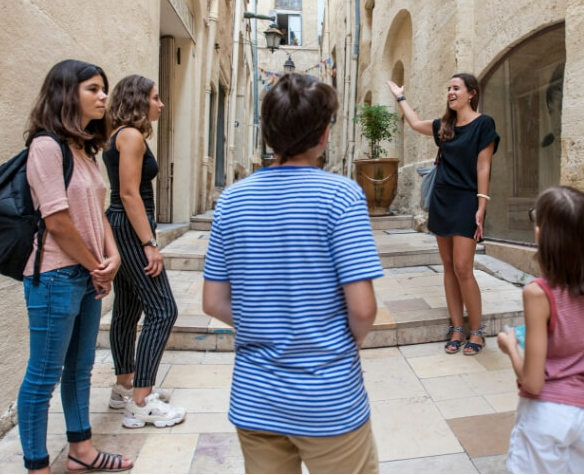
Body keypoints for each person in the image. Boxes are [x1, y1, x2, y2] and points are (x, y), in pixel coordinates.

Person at [202, 73, 382, 474]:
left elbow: (213, 302)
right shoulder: (342, 195)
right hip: (328, 397)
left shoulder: (230, 201)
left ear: (268, 132)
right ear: (323, 134)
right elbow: (364, 309)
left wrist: (265, 323)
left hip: (255, 398)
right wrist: (326, 338)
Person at [19, 59, 132, 473]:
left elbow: (96, 210)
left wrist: (113, 255)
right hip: (55, 275)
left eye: (104, 88)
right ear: (68, 93)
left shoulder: (84, 149)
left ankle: (81, 451)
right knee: (43, 376)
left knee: (80, 369)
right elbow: (57, 222)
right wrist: (95, 265)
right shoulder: (45, 147)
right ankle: (36, 465)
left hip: (87, 275)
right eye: (93, 89)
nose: (104, 96)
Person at [497, 186, 584, 473]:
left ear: (543, 234)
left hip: (547, 415)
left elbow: (533, 383)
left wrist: (511, 348)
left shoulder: (539, 293)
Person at [387, 75, 499, 355]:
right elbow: (414, 123)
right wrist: (401, 97)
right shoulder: (444, 126)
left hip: (466, 200)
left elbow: (483, 168)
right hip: (442, 200)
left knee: (463, 267)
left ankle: (477, 332)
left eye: (456, 88)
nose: (450, 92)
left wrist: (482, 206)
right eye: (448, 88)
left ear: (471, 94)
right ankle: (457, 328)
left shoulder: (484, 124)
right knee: (448, 267)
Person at [102, 75, 185, 428]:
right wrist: (150, 243)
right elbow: (129, 193)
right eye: (155, 97)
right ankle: (141, 401)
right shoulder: (131, 136)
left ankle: (124, 386)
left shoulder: (118, 134)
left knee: (127, 307)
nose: (161, 104)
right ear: (138, 101)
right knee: (163, 310)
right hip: (130, 226)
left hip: (120, 225)